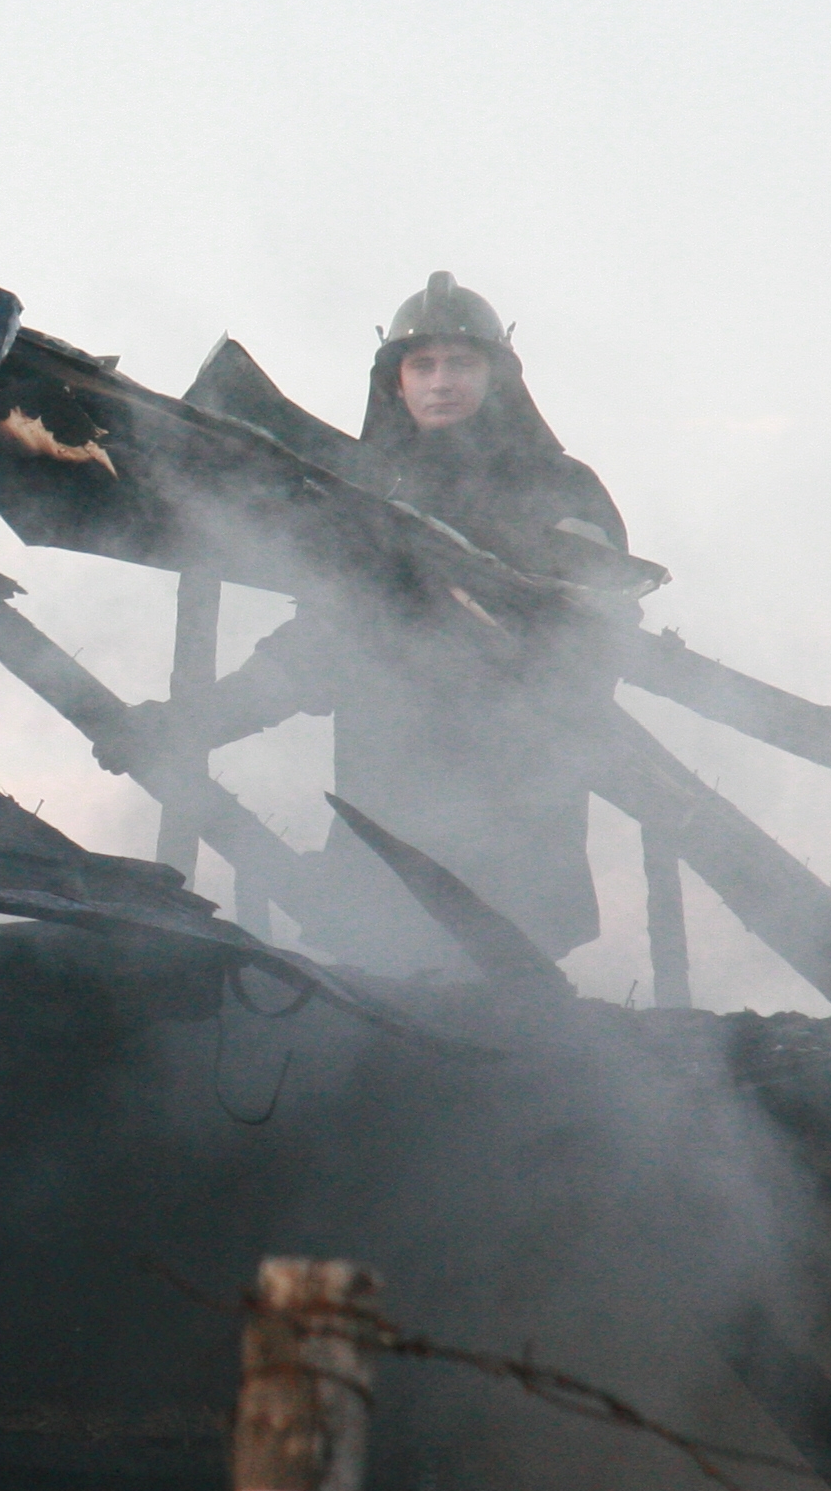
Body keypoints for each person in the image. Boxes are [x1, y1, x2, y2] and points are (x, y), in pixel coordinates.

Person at [106, 273, 634, 971]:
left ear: (496, 375)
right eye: (423, 364)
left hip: (516, 821)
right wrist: (192, 724)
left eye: (461, 362)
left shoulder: (563, 491)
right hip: (387, 816)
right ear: (396, 382)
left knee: (509, 1012)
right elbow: (319, 648)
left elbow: (598, 640)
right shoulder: (365, 495)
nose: (441, 381)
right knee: (377, 999)